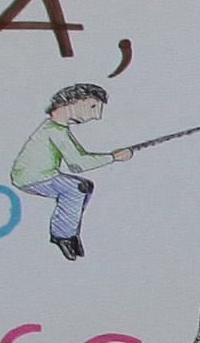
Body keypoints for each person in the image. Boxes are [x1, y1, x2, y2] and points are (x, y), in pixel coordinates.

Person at [11, 80, 125, 261]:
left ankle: (69, 233)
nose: (97, 116)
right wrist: (112, 157)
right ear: (74, 103)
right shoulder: (55, 131)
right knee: (76, 189)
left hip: (42, 174)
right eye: (93, 106)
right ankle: (63, 235)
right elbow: (78, 163)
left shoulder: (57, 129)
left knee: (83, 186)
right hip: (32, 177)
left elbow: (78, 158)